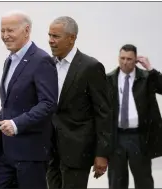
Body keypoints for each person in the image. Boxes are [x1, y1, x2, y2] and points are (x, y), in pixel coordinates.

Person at [0, 11, 58, 189]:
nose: (5, 36)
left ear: (26, 30)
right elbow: (8, 105)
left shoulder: (41, 60)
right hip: (6, 153)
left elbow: (48, 104)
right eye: (2, 31)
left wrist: (16, 124)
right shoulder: (9, 61)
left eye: (10, 30)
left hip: (31, 153)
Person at [46, 16, 113, 189]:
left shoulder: (91, 67)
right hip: (49, 150)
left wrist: (102, 154)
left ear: (71, 38)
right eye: (49, 36)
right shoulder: (47, 65)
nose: (51, 41)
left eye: (56, 36)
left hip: (78, 150)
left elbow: (103, 113)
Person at [107, 44, 162, 189]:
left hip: (139, 136)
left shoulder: (147, 78)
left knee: (143, 180)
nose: (125, 62)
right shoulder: (109, 79)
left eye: (129, 59)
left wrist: (150, 68)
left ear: (136, 60)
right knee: (116, 181)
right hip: (116, 137)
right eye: (122, 58)